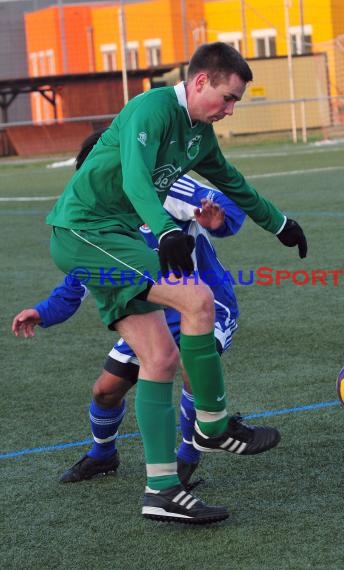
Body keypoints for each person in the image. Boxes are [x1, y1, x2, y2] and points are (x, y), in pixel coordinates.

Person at [44, 42, 307, 525]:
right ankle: (212, 424)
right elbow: (135, 180)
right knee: (198, 297)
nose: (230, 110)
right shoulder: (153, 107)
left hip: (108, 238)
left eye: (237, 103)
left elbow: (231, 181)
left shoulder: (199, 132)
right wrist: (165, 231)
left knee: (161, 359)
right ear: (201, 80)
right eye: (227, 98)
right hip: (84, 232)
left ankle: (161, 490)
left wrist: (279, 223)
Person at [13, 168, 245, 489]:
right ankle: (103, 453)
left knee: (195, 371)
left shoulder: (167, 187)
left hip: (208, 305)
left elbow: (227, 206)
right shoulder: (99, 218)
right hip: (152, 314)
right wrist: (42, 312)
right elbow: (77, 280)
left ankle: (187, 458)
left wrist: (219, 222)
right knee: (105, 391)